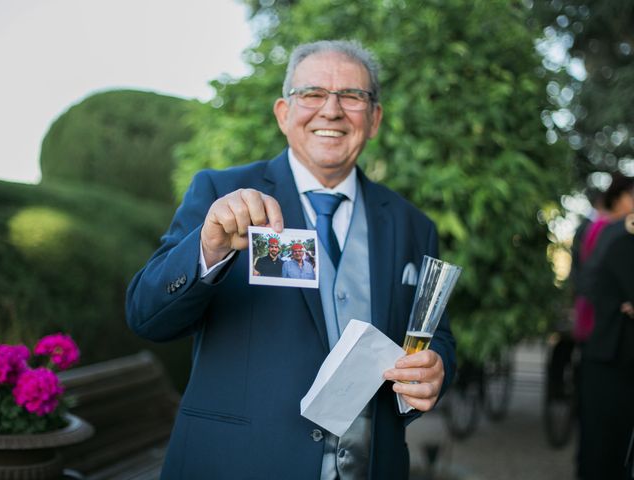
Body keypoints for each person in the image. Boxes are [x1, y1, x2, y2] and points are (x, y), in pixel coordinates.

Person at [126, 39, 456, 479]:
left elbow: (439, 337)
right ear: (284, 112)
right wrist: (208, 248)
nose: (332, 110)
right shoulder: (220, 195)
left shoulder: (412, 224)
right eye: (313, 94)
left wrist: (438, 368)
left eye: (352, 96)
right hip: (236, 465)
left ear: (374, 118)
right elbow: (146, 317)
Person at [577, 179, 634, 480]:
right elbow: (590, 281)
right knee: (606, 441)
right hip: (608, 341)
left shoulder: (600, 228)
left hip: (600, 337)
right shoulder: (616, 231)